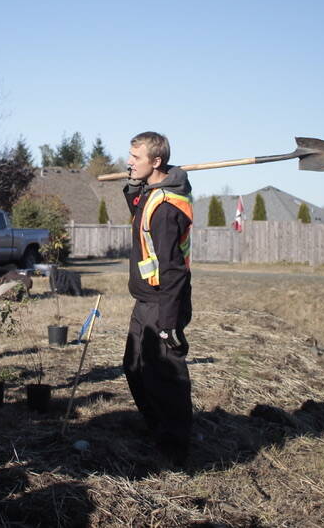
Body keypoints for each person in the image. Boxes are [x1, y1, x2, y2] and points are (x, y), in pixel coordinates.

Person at [122, 131, 194, 467]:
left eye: (135, 158)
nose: (128, 162)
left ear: (157, 161)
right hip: (144, 300)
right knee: (134, 367)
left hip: (163, 302)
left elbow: (175, 270)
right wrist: (135, 182)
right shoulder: (151, 196)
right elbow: (137, 206)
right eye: (130, 156)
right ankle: (158, 428)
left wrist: (168, 323)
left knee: (165, 375)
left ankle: (177, 447)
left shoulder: (166, 208)